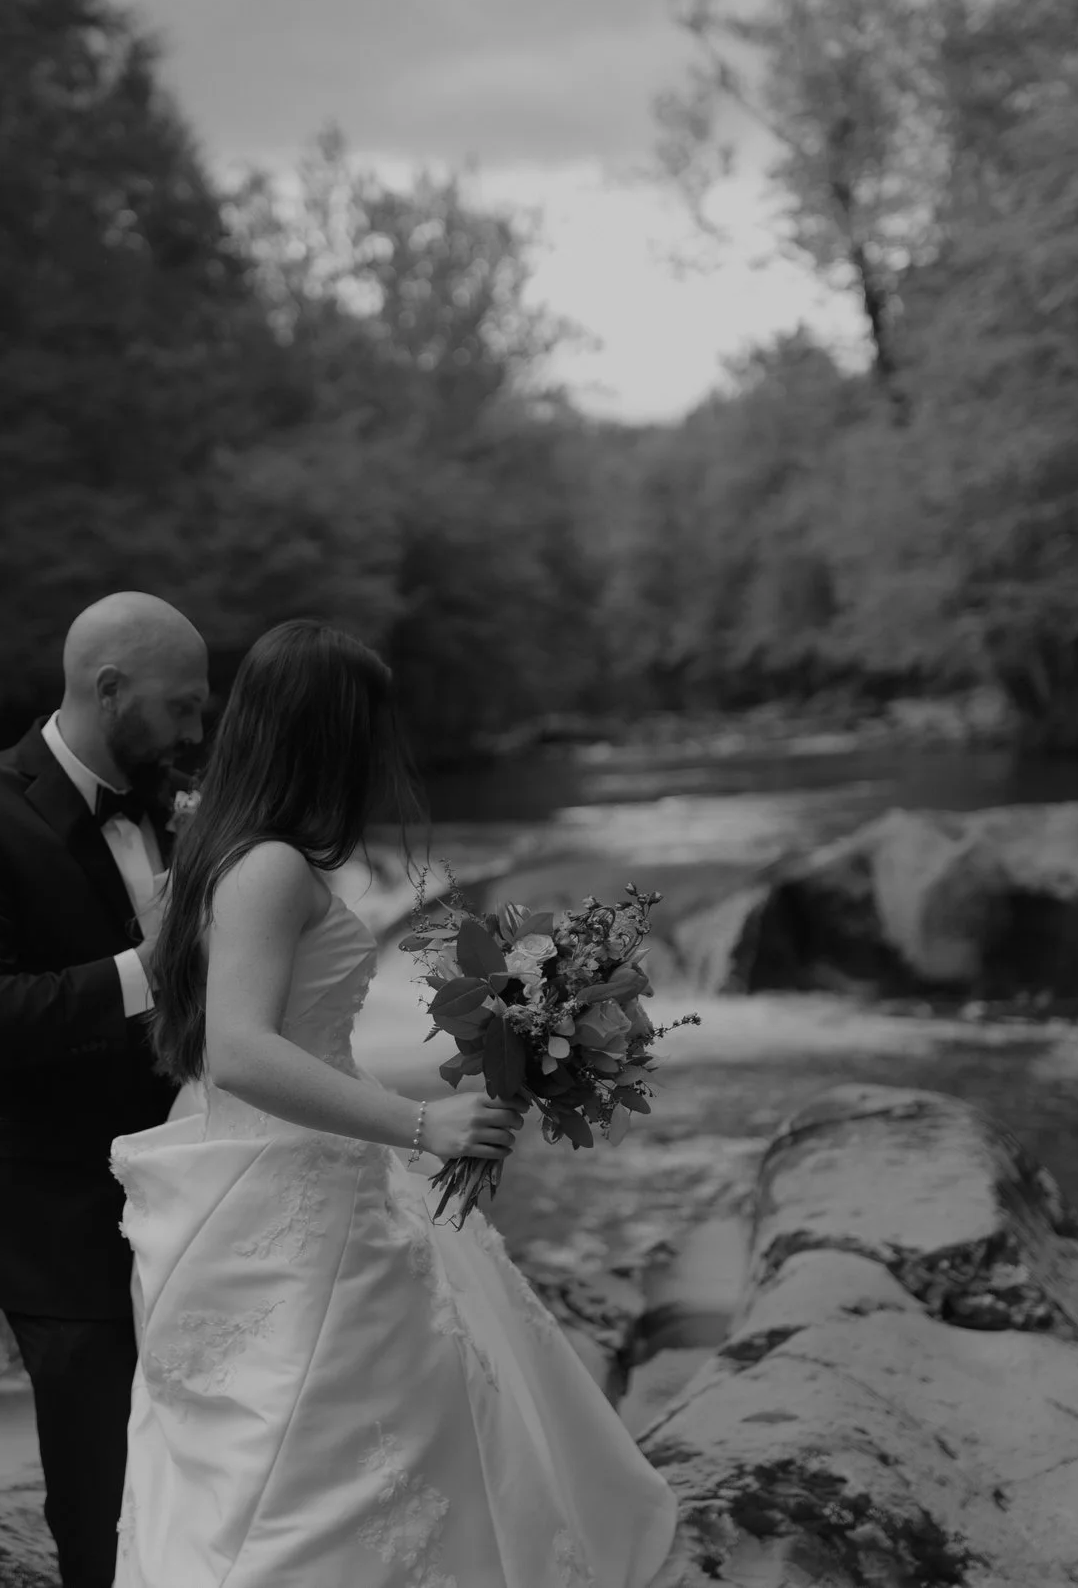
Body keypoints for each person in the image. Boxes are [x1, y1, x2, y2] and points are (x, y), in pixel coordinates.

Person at [108, 619, 679, 1586]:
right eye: (371, 725)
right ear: (327, 732)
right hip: (289, 1198)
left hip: (283, 1169)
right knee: (342, 1452)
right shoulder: (272, 864)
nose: (384, 750)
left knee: (400, 1428)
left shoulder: (227, 847)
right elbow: (239, 1048)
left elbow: (293, 1043)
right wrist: (426, 1122)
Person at [0, 591, 210, 1588]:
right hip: (52, 1208)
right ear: (108, 689)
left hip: (191, 1188)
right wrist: (144, 969)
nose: (196, 727)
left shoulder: (170, 800)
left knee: (194, 1461)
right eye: (180, 705)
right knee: (100, 1485)